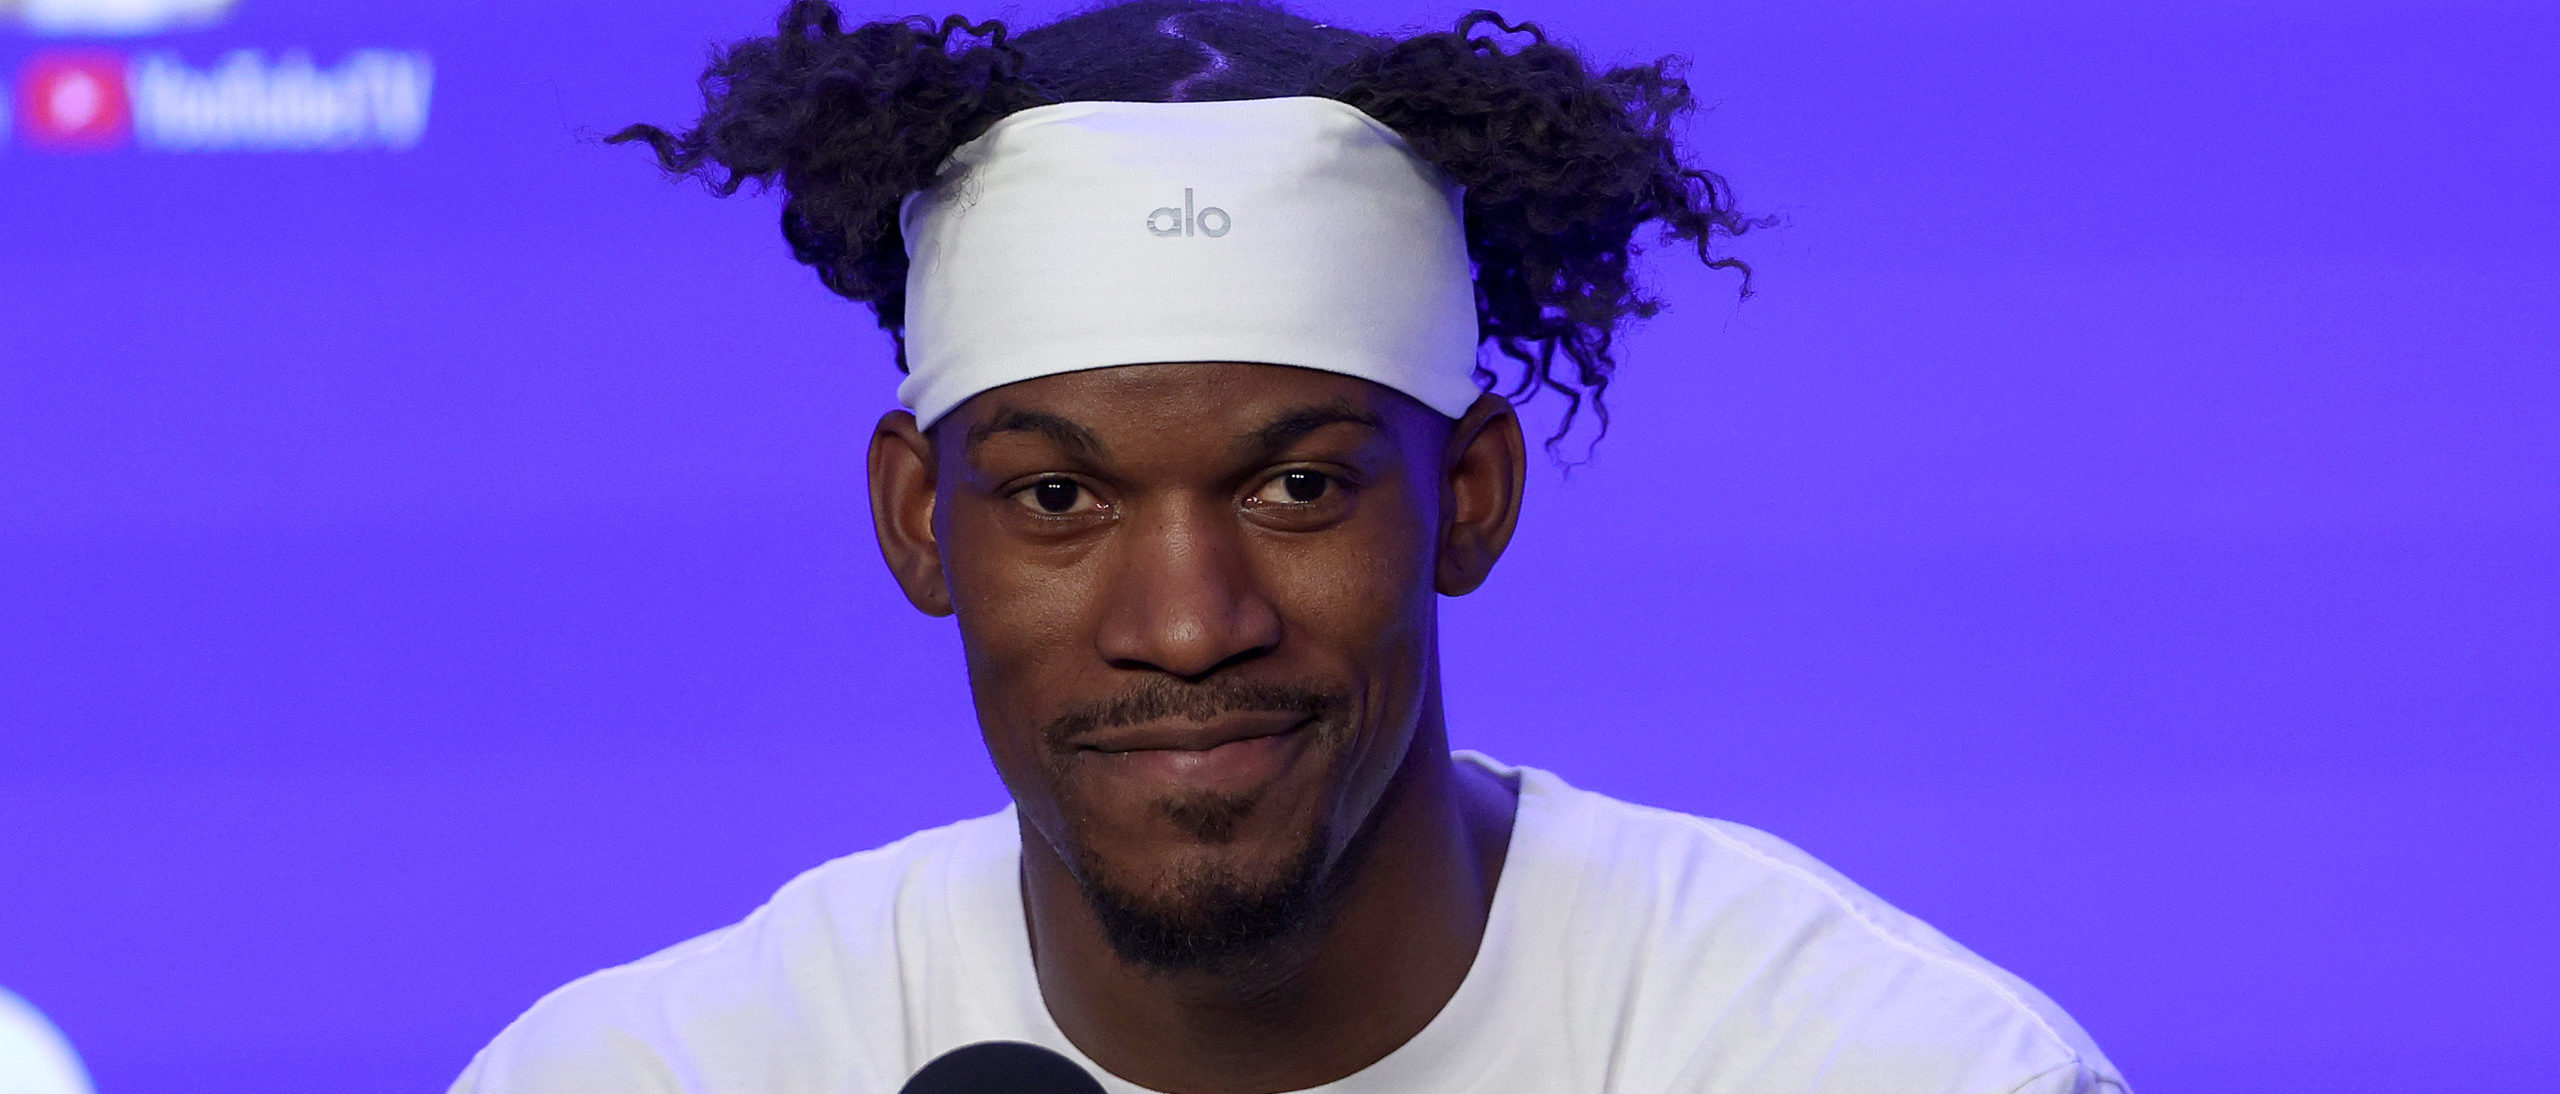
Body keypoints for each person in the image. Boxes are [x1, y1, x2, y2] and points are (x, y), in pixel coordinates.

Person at [451, 2, 2131, 1091]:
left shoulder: (1870, 1063)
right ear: (918, 520)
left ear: (1468, 497)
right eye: (1060, 498)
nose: (1189, 624)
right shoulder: (659, 1073)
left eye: (1299, 487)